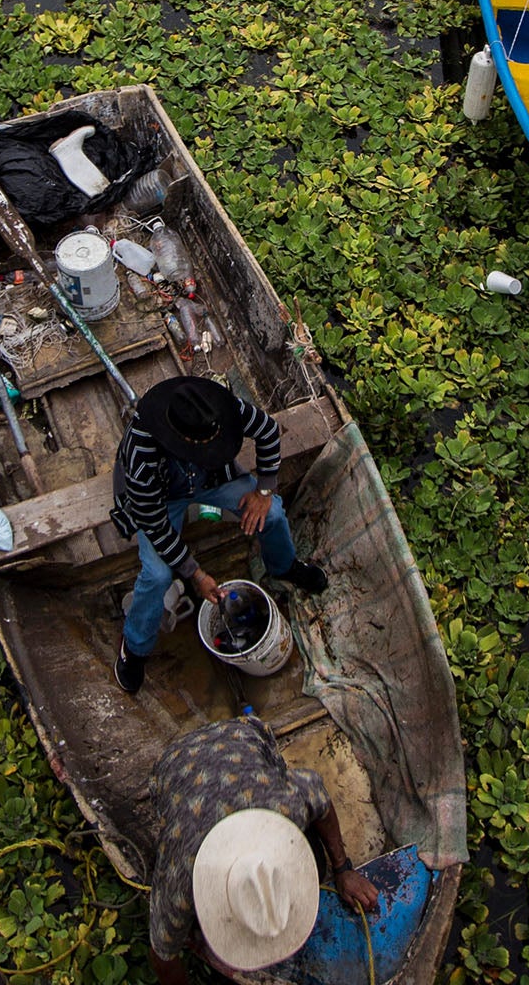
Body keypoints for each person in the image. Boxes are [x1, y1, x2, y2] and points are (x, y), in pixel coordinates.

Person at [111, 377, 328, 694]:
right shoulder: (141, 454)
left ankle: (284, 567)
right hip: (162, 497)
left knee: (275, 514)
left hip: (210, 478)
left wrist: (264, 491)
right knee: (157, 575)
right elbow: (155, 525)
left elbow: (268, 430)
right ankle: (134, 646)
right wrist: (195, 573)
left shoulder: (217, 408)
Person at [146, 715, 379, 983]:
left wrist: (343, 868)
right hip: (172, 765)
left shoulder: (285, 806)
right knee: (191, 931)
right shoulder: (182, 877)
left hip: (241, 733)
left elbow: (319, 796)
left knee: (317, 860)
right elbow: (163, 957)